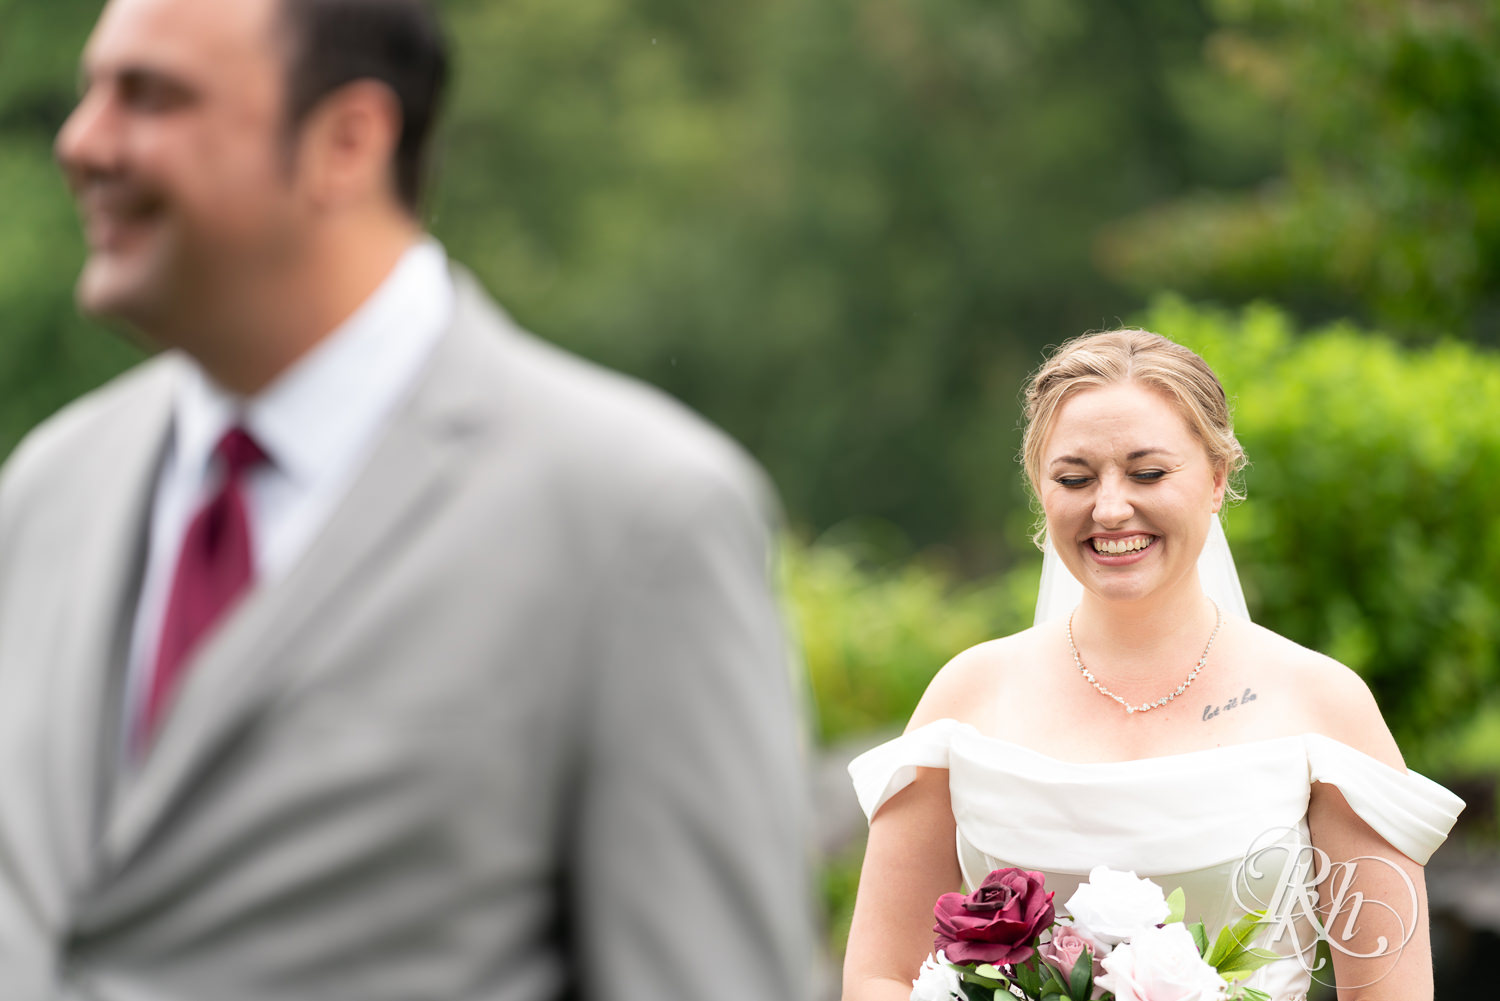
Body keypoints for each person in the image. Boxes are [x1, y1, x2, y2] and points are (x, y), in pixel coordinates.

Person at [0, 0, 812, 997]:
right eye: (91, 91)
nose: (82, 141)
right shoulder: (50, 483)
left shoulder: (640, 516)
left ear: (348, 141)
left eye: (152, 96)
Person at [842, 329, 1464, 1000]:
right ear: (1040, 488)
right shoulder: (966, 697)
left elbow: (1388, 988)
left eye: (1148, 472)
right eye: (1075, 477)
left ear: (1219, 477)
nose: (1110, 507)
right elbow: (881, 975)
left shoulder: (1322, 704)